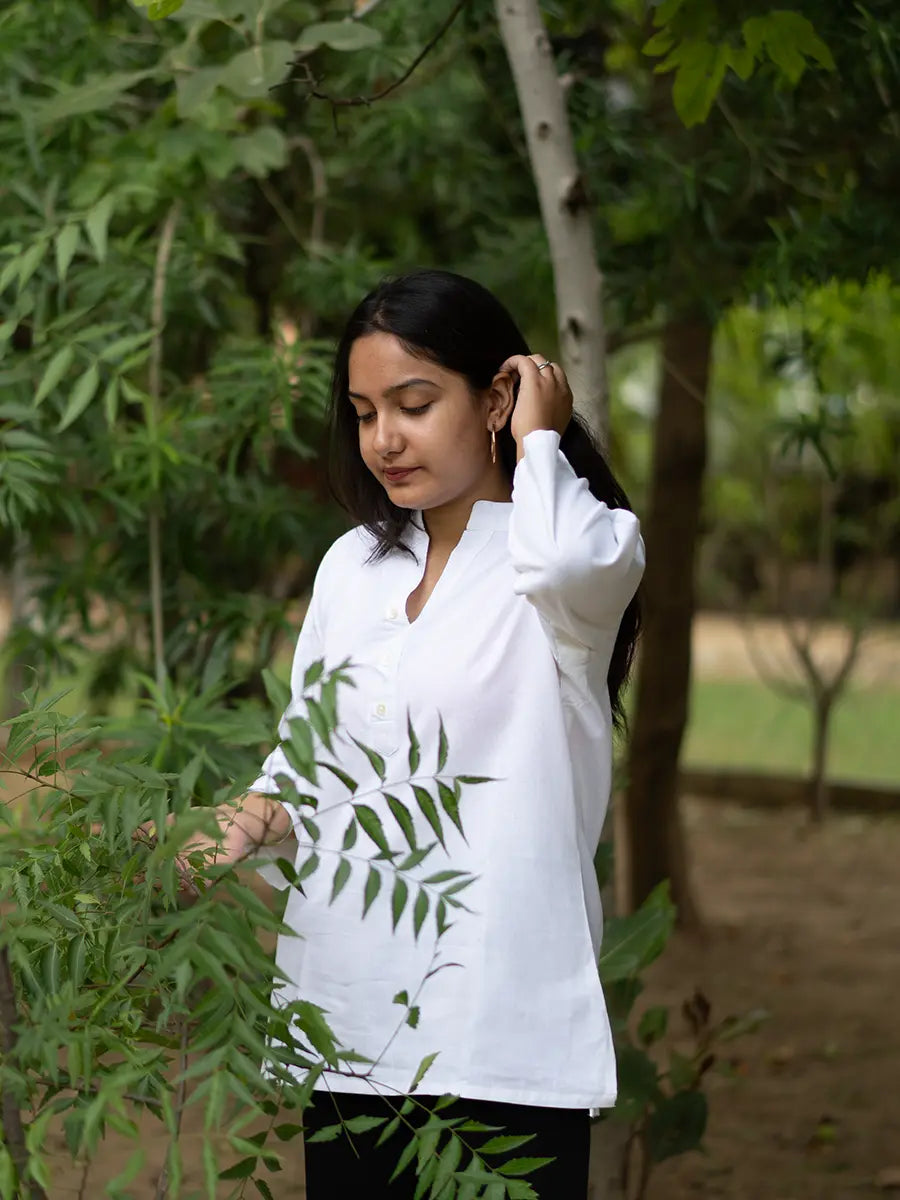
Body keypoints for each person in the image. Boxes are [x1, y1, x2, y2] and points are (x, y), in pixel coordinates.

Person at [195, 269, 644, 1197]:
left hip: (499, 1040)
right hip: (351, 1031)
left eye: (413, 403)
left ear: (494, 398)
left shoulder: (574, 555)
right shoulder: (352, 567)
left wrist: (543, 437)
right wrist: (249, 824)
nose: (383, 440)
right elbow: (310, 761)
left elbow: (561, 556)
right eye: (363, 413)